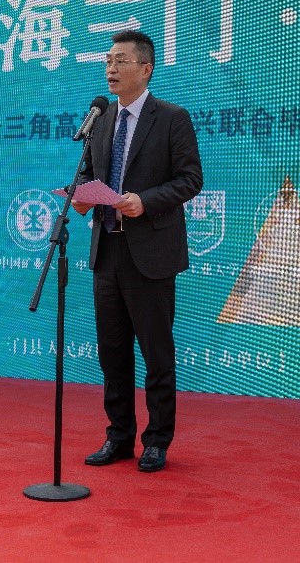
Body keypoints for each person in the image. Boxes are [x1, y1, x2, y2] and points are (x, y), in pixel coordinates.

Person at [71, 29, 202, 473]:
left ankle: (157, 440)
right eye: (108, 60)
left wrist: (144, 201)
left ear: (146, 69)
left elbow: (190, 179)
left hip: (150, 253)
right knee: (112, 353)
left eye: (121, 61)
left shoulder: (172, 118)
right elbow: (89, 172)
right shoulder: (100, 118)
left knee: (156, 353)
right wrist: (82, 196)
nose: (111, 68)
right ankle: (119, 436)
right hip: (107, 249)